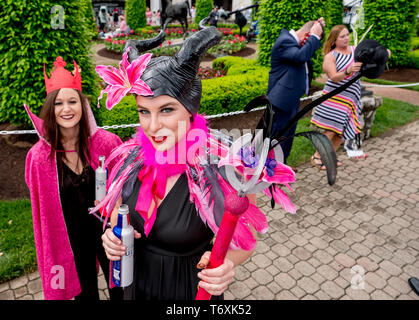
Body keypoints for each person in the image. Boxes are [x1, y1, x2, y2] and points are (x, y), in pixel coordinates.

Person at [94, 26, 296, 300]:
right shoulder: (129, 160)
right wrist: (111, 238)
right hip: (133, 286)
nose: (153, 126)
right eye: (144, 111)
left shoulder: (225, 167)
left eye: (166, 110)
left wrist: (226, 264)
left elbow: (246, 242)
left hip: (186, 290)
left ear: (190, 110)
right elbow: (115, 213)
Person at [24, 57, 123, 300]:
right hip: (70, 239)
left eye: (72, 101)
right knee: (85, 293)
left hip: (109, 234)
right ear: (50, 109)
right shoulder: (39, 157)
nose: (66, 109)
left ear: (83, 105)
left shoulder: (106, 144)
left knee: (122, 288)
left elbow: (125, 189)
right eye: (58, 103)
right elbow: (40, 208)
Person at [267, 18, 325, 164]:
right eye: (311, 40)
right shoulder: (285, 41)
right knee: (276, 138)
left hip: (290, 99)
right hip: (281, 100)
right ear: (306, 35)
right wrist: (314, 36)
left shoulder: (292, 43)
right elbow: (301, 57)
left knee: (287, 139)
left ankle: (280, 167)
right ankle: (264, 169)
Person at [310, 25, 363, 169]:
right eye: (342, 36)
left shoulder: (355, 51)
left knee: (343, 131)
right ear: (334, 40)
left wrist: (383, 53)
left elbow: (371, 59)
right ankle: (317, 156)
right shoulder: (330, 56)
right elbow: (333, 77)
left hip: (352, 98)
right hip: (335, 98)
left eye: (347, 35)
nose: (347, 38)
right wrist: (348, 70)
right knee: (332, 130)